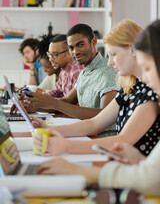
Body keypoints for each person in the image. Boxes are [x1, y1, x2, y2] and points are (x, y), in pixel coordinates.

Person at [36, 19, 160, 197]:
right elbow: (95, 123)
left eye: (113, 55)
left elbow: (126, 140)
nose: (109, 62)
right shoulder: (130, 86)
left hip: (137, 180)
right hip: (133, 170)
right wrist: (49, 129)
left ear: (133, 50)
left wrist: (66, 147)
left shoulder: (149, 93)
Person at [25, 24, 118, 121]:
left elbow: (105, 115)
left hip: (101, 135)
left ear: (93, 41)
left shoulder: (108, 70)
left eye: (80, 45)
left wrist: (55, 103)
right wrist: (36, 107)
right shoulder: (85, 72)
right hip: (85, 131)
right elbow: (68, 101)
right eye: (71, 48)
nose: (75, 52)